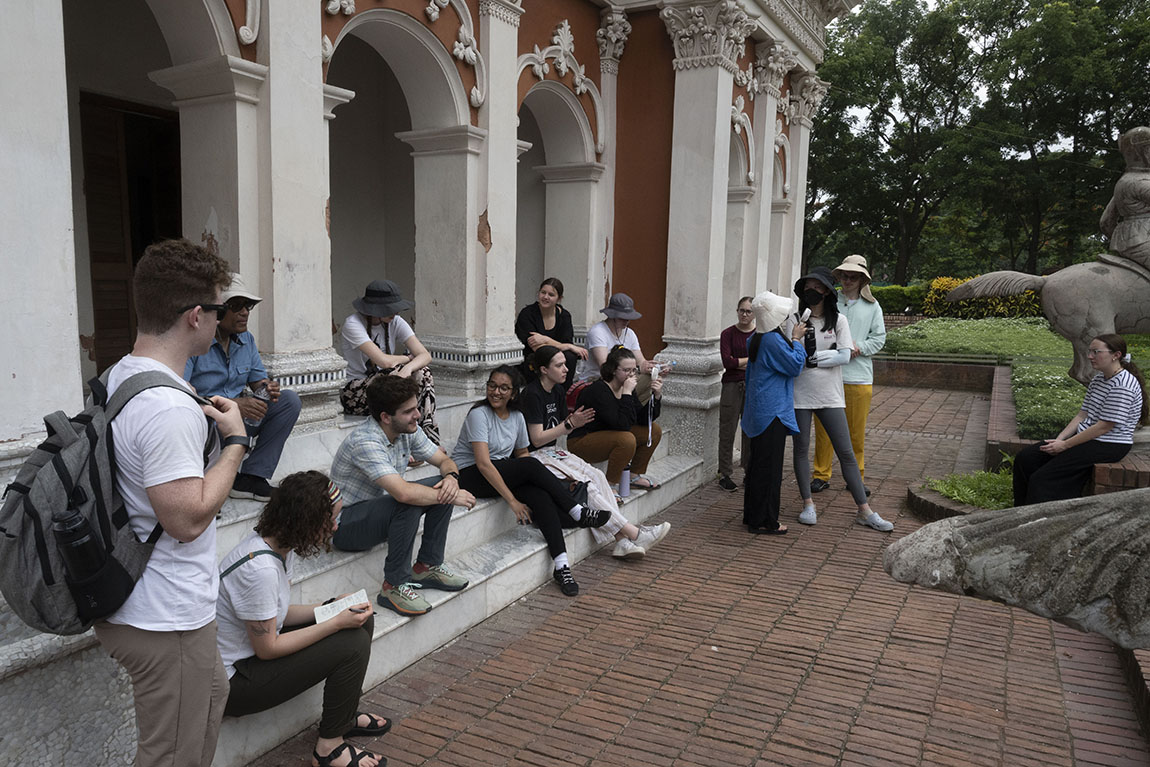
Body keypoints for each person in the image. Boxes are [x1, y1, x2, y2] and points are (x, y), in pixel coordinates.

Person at [92, 238, 248, 767]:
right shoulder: (166, 408)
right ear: (196, 316)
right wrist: (235, 444)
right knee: (172, 756)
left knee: (211, 701)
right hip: (163, 614)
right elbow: (184, 519)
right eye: (220, 310)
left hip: (166, 606)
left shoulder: (122, 375)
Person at [216, 471, 387, 767]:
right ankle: (328, 748)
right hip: (236, 682)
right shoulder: (260, 570)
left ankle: (343, 718)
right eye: (330, 519)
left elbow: (278, 614)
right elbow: (267, 648)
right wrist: (334, 622)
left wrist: (332, 606)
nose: (335, 526)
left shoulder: (279, 547)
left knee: (360, 617)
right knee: (351, 642)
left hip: (253, 659)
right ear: (305, 520)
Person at [451, 365, 616, 596]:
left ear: (513, 393)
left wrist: (535, 482)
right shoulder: (478, 414)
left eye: (503, 388)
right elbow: (483, 463)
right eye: (492, 386)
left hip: (499, 471)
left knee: (540, 494)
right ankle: (576, 510)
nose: (496, 392)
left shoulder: (517, 417)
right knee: (530, 466)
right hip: (469, 474)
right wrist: (513, 501)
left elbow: (521, 455)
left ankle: (562, 565)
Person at [330, 375, 474, 616]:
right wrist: (453, 497)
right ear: (386, 417)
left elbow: (444, 461)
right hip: (346, 526)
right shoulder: (365, 441)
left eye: (416, 407)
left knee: (440, 484)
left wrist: (451, 479)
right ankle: (393, 586)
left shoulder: (407, 429)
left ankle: (427, 565)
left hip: (379, 512)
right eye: (408, 411)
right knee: (407, 501)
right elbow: (404, 494)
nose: (418, 415)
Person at [521, 346, 671, 559]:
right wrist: (570, 424)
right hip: (533, 456)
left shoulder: (557, 390)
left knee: (598, 476)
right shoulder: (533, 394)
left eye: (565, 364)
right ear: (544, 369)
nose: (566, 369)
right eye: (559, 365)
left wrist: (655, 395)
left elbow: (637, 419)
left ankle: (622, 542)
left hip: (553, 450)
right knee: (587, 486)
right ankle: (634, 533)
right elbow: (536, 438)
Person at [784, 267, 894, 532]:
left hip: (831, 395)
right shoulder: (795, 319)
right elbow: (793, 357)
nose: (811, 291)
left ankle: (864, 510)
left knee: (845, 451)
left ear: (826, 291)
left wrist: (819, 359)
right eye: (807, 287)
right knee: (801, 450)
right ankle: (808, 504)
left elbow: (845, 355)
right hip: (800, 395)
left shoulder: (839, 321)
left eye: (816, 287)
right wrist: (800, 339)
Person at [185, 273, 302, 502]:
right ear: (218, 310)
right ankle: (202, 484)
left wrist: (267, 388)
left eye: (248, 306)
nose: (245, 312)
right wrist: (233, 405)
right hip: (207, 424)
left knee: (289, 401)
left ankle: (251, 477)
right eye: (237, 305)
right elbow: (181, 394)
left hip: (238, 423)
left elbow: (258, 380)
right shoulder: (196, 341)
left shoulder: (246, 339)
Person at [1013, 334, 1147, 505]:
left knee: (1044, 479)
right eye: (1089, 351)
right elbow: (1082, 415)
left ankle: (1041, 521)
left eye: (1096, 352)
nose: (1090, 356)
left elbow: (1103, 427)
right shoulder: (1099, 378)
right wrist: (1060, 439)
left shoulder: (1123, 385)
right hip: (1089, 437)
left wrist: (1065, 445)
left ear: (1116, 355)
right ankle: (1018, 511)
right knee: (1027, 458)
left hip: (1110, 444)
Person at [811, 255, 886, 496]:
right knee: (823, 430)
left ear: (863, 279)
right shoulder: (830, 302)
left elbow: (879, 338)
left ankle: (856, 476)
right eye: (844, 275)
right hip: (828, 375)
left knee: (855, 431)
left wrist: (858, 347)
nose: (848, 280)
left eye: (853, 277)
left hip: (858, 376)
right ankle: (821, 474)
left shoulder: (873, 306)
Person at [339, 280, 440, 445]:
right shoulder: (353, 323)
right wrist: (408, 359)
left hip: (387, 386)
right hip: (356, 395)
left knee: (423, 373)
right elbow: (384, 362)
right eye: (388, 308)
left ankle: (428, 440)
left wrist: (408, 369)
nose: (394, 312)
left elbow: (425, 355)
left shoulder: (396, 322)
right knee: (393, 374)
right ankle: (406, 443)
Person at [742, 291, 808, 535]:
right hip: (772, 412)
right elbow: (794, 366)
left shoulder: (755, 339)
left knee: (757, 466)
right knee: (770, 471)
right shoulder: (772, 340)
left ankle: (753, 515)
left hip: (759, 410)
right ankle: (766, 520)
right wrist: (796, 339)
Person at [568, 347, 663, 494]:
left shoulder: (627, 388)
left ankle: (633, 477)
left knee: (654, 430)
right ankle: (610, 485)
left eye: (634, 370)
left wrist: (656, 397)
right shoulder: (599, 390)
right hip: (582, 441)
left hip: (609, 435)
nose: (631, 375)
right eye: (626, 370)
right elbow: (622, 425)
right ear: (613, 370)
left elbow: (643, 420)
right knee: (626, 439)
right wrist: (626, 393)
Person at [514, 277, 588, 388]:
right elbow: (537, 347)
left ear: (559, 298)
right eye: (543, 292)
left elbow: (566, 343)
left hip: (557, 360)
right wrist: (566, 346)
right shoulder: (527, 314)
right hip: (533, 359)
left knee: (570, 356)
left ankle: (563, 393)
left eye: (551, 295)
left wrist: (546, 339)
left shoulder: (564, 316)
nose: (545, 297)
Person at [717, 296, 756, 492]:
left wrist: (739, 360)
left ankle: (749, 472)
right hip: (731, 385)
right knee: (727, 429)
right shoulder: (728, 334)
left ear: (754, 313)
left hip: (752, 385)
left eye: (749, 311)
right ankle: (724, 473)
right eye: (742, 310)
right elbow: (727, 362)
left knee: (749, 431)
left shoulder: (759, 335)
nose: (744, 314)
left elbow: (761, 361)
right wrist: (748, 360)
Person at [1100, 126, 1150, 270]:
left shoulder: (1125, 181)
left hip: (1129, 241)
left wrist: (1121, 238)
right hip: (1142, 241)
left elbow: (1105, 222)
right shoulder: (1139, 182)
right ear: (1144, 152)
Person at [584, 293, 656, 373]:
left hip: (625, 377)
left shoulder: (630, 333)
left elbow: (641, 362)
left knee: (653, 379)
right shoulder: (598, 332)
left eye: (628, 319)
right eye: (622, 318)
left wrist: (652, 368)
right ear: (612, 316)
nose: (626, 321)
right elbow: (605, 368)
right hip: (598, 379)